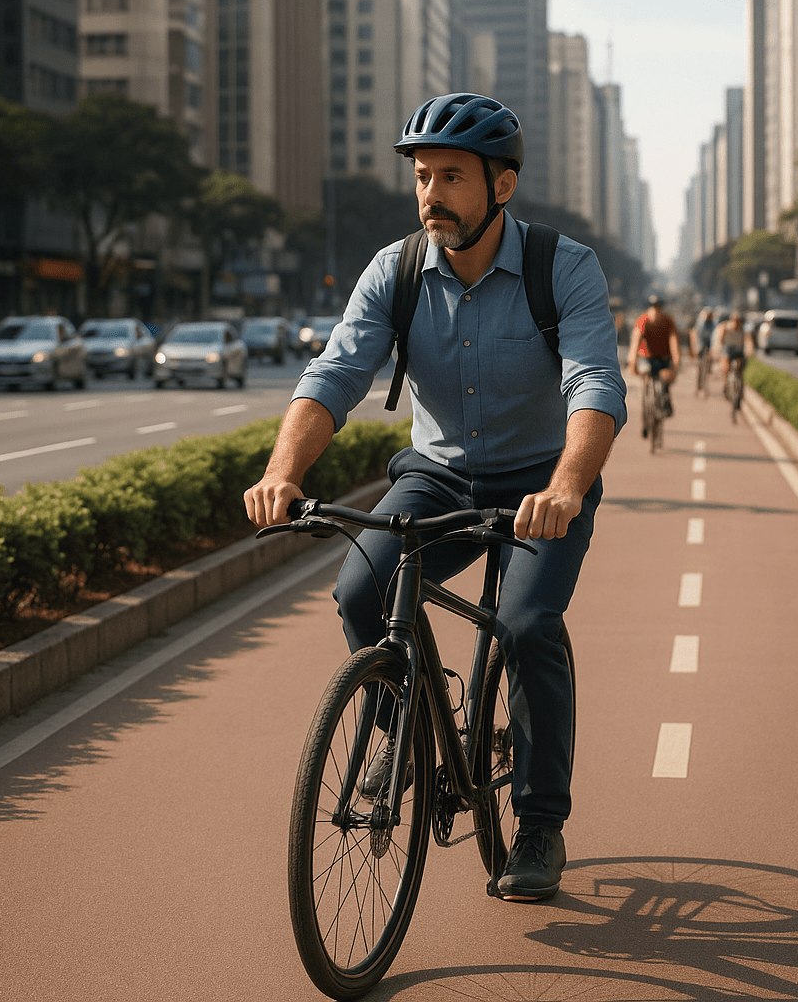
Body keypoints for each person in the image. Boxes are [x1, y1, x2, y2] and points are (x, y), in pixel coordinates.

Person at [244, 93, 627, 902]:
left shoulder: (564, 267)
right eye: (422, 177)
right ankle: (408, 730)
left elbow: (595, 382)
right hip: (438, 476)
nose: (430, 194)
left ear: (502, 186)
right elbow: (335, 374)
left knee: (526, 624)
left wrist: (567, 487)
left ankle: (539, 825)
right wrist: (283, 473)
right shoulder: (395, 271)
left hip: (542, 483)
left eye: (451, 177)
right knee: (360, 589)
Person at [627, 295, 680, 434]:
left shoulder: (668, 322)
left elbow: (674, 344)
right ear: (648, 309)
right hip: (646, 358)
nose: (655, 311)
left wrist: (675, 365)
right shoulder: (642, 321)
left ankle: (666, 401)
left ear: (661, 309)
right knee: (646, 381)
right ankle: (646, 417)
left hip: (664, 358)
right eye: (652, 308)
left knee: (665, 380)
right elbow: (635, 342)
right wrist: (632, 362)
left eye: (657, 308)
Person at [714, 310, 754, 385]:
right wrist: (720, 346)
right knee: (726, 362)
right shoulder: (726, 327)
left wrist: (750, 349)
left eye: (739, 321)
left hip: (739, 349)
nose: (737, 323)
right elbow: (720, 337)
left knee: (742, 363)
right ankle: (725, 380)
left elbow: (748, 339)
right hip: (728, 349)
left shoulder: (743, 329)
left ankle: (739, 377)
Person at [690, 306, 717, 394]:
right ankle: (698, 386)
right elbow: (697, 336)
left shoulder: (713, 323)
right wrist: (696, 348)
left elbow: (714, 336)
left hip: (709, 345)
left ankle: (708, 373)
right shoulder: (700, 323)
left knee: (708, 364)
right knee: (700, 367)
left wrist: (712, 349)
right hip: (701, 345)